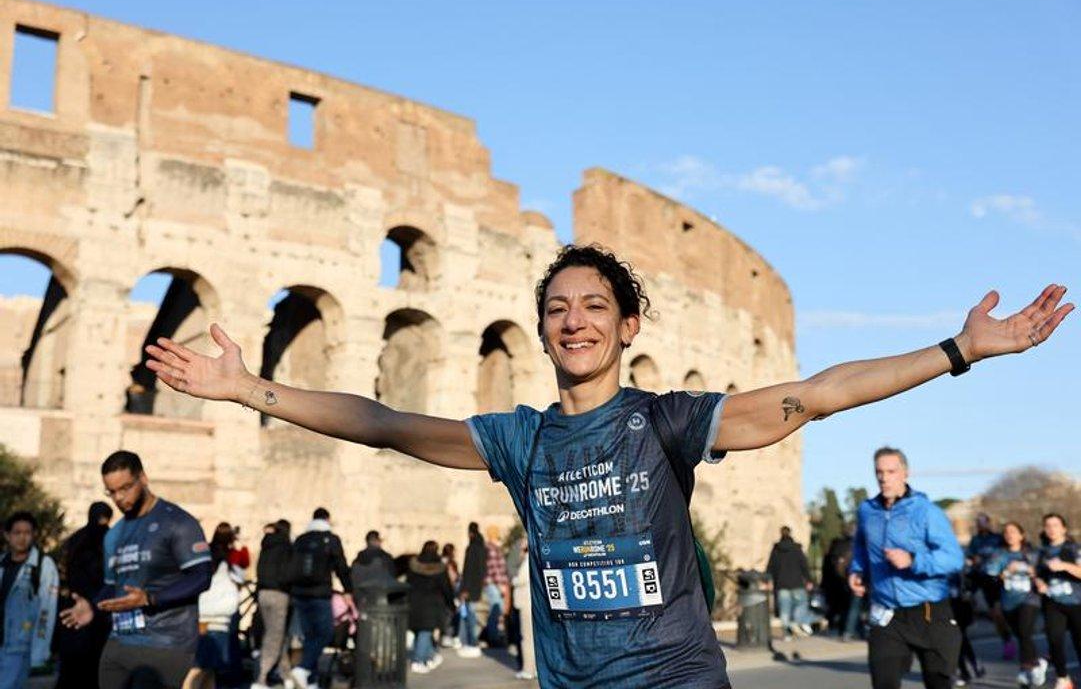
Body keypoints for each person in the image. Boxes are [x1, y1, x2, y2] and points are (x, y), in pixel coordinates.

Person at [142, 243, 1072, 688]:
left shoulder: (668, 422)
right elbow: (384, 422)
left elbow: (818, 393)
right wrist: (249, 391)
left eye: (594, 305)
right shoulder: (521, 440)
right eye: (556, 308)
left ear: (627, 327)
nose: (573, 319)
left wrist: (955, 351)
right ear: (542, 329)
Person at [60, 450, 213, 689]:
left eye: (126, 487)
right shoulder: (113, 535)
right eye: (112, 492)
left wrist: (150, 598)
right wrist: (92, 605)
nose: (120, 498)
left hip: (167, 642)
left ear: (143, 478)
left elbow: (201, 577)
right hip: (119, 641)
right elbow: (112, 587)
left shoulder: (177, 522)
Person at [848, 447, 965, 689]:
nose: (884, 478)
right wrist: (857, 570)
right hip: (887, 614)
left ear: (905, 473)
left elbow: (954, 558)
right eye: (879, 472)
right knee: (884, 683)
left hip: (929, 612)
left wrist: (913, 560)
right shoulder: (867, 511)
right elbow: (861, 545)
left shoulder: (926, 512)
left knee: (939, 684)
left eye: (891, 471)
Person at [289, 508, 355, 689]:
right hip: (320, 594)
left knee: (310, 637)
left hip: (299, 594)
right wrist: (348, 590)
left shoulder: (301, 539)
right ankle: (302, 669)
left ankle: (311, 680)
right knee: (325, 633)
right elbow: (341, 566)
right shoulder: (331, 539)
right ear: (327, 519)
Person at [54, 501, 114, 689]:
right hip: (79, 614)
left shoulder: (76, 541)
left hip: (98, 617)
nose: (102, 524)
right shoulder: (105, 540)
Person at [0, 511, 58, 689]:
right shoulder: (2, 564)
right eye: (17, 533)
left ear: (34, 535)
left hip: (20, 648)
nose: (22, 538)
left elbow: (47, 611)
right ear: (7, 535)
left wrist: (40, 650)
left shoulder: (43, 566)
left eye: (27, 533)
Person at [986, 521, 1047, 687]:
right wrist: (1006, 571)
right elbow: (990, 573)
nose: (1010, 535)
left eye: (1013, 531)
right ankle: (1036, 663)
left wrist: (1032, 572)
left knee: (1024, 632)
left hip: (1029, 599)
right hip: (1008, 601)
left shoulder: (1033, 553)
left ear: (1022, 535)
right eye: (1006, 532)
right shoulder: (1000, 554)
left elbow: (1043, 570)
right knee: (1021, 636)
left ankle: (1024, 670)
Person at [186, 524, 245, 689]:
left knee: (208, 670)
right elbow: (241, 574)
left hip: (203, 615)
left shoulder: (205, 555)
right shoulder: (226, 560)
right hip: (216, 619)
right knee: (199, 669)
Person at [1035, 513, 1081, 689]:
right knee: (1054, 640)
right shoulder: (1043, 552)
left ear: (1064, 528)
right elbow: (1037, 574)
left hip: (1076, 602)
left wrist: (1064, 566)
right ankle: (1063, 678)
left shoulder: (1074, 548)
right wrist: (1039, 583)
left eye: (1055, 525)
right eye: (1048, 526)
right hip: (1053, 603)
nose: (1051, 529)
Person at [965, 512, 1012, 658]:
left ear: (989, 523)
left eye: (983, 521)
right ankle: (1006, 639)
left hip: (997, 579)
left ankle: (1011, 637)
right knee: (994, 612)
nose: (981, 524)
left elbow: (1008, 553)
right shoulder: (975, 540)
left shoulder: (997, 538)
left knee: (1002, 612)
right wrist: (973, 560)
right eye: (978, 522)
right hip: (982, 578)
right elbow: (969, 557)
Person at [253, 519, 292, 689]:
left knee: (276, 634)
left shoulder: (266, 545)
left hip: (263, 592)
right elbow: (288, 571)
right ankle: (261, 678)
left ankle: (286, 675)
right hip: (279, 593)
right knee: (274, 636)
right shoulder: (286, 547)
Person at [405, 540, 454, 675]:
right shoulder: (440, 567)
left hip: (414, 602)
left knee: (419, 632)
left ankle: (429, 656)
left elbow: (408, 583)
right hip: (432, 604)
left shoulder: (414, 565)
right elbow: (446, 587)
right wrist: (451, 603)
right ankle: (418, 660)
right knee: (426, 631)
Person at [766, 526, 814, 640]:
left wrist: (768, 580)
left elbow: (771, 567)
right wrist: (809, 580)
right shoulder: (797, 548)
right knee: (801, 605)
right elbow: (804, 565)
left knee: (784, 610)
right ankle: (796, 623)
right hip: (797, 583)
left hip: (781, 584)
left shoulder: (776, 550)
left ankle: (786, 634)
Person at [457, 522, 486, 658]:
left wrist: (464, 589)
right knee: (472, 616)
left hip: (470, 588)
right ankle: (471, 642)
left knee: (471, 617)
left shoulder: (472, 548)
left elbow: (468, 570)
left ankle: (472, 643)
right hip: (478, 587)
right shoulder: (482, 547)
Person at [509, 540, 536, 681]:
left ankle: (528, 669)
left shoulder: (527, 562)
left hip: (526, 602)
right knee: (532, 637)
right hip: (529, 602)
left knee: (527, 638)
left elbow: (519, 580)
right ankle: (534, 668)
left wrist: (513, 580)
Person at [439, 544, 460, 648]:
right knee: (450, 614)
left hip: (439, 592)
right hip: (449, 591)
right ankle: (448, 636)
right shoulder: (450, 563)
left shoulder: (439, 562)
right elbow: (453, 577)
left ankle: (443, 636)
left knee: (444, 614)